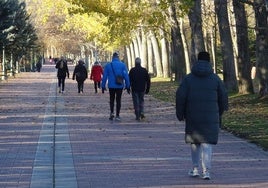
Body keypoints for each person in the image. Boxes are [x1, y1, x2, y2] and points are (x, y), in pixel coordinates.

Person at [176, 51, 228, 180]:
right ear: (209, 61)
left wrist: (180, 113)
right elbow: (223, 97)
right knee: (207, 143)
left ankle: (194, 168)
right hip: (211, 116)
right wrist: (219, 112)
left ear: (197, 61)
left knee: (195, 142)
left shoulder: (188, 79)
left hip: (193, 114)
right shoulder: (215, 79)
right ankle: (206, 171)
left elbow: (180, 96)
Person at [101, 52, 130, 121]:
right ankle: (117, 115)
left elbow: (104, 76)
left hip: (111, 85)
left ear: (112, 58)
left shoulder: (108, 65)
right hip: (119, 85)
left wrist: (103, 85)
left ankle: (111, 113)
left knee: (111, 99)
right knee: (118, 100)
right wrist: (128, 85)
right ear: (118, 57)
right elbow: (126, 76)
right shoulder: (122, 65)